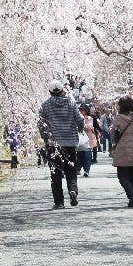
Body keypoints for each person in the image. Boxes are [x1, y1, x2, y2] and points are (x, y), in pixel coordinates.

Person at [38, 80, 84, 208]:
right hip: (70, 141)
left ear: (50, 92)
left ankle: (59, 202)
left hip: (54, 143)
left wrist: (46, 138)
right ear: (62, 90)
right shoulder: (71, 102)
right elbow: (80, 119)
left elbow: (41, 124)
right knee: (71, 170)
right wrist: (79, 128)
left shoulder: (45, 105)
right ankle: (73, 190)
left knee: (55, 173)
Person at [110, 95, 133, 207]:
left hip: (123, 150)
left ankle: (132, 195)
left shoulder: (119, 117)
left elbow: (112, 132)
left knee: (122, 176)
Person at [76, 105, 95, 177]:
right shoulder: (77, 117)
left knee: (87, 155)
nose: (81, 111)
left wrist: (82, 125)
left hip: (88, 139)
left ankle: (86, 170)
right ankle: (78, 169)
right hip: (80, 139)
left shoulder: (89, 118)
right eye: (80, 110)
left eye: (82, 110)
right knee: (79, 155)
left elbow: (89, 126)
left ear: (86, 110)